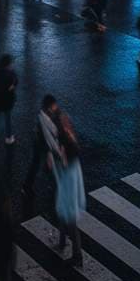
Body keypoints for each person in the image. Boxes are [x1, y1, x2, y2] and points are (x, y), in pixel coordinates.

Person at [52, 112, 86, 268]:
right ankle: (62, 241)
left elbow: (64, 162)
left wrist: (59, 155)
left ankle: (76, 255)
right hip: (72, 180)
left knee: (68, 217)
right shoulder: (70, 136)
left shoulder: (65, 140)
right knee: (64, 212)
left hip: (69, 182)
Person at [23, 94, 61, 197]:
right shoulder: (42, 120)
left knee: (40, 165)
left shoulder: (49, 114)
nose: (56, 107)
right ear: (49, 107)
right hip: (41, 145)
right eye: (54, 105)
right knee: (41, 165)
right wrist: (50, 152)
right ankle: (27, 186)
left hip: (43, 145)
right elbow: (47, 137)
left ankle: (27, 186)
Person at [0, 54, 18, 146]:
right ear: (8, 64)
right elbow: (14, 84)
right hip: (7, 102)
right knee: (7, 120)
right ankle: (9, 138)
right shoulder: (10, 74)